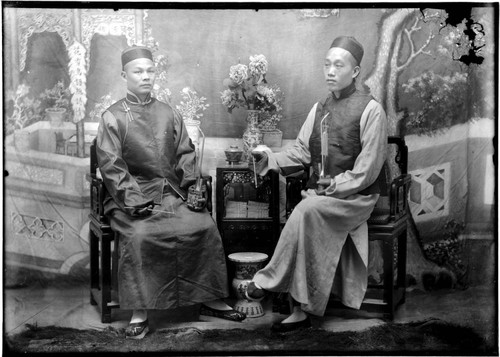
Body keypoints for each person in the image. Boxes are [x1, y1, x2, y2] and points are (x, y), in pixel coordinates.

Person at [96, 46, 245, 340]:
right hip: (130, 198)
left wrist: (193, 187)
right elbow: (111, 166)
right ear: (124, 75)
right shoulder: (112, 117)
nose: (146, 77)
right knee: (140, 236)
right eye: (138, 71)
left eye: (150, 71)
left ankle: (210, 298)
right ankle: (140, 310)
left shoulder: (168, 112)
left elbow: (185, 156)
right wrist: (134, 200)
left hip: (172, 194)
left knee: (202, 226)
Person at [246, 36, 388, 333]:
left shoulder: (372, 110)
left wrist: (330, 188)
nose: (330, 72)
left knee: (306, 209)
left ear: (356, 71)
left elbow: (367, 171)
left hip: (356, 197)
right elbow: (300, 151)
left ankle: (268, 282)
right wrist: (269, 158)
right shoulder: (319, 107)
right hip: (323, 196)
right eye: (327, 65)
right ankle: (301, 308)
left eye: (339, 65)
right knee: (307, 211)